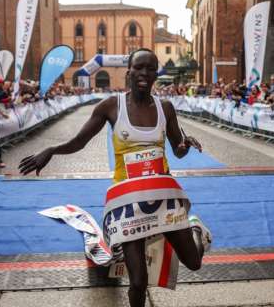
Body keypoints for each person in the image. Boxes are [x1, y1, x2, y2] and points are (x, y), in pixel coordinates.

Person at [19, 49, 211, 307]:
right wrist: (52, 150)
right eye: (139, 67)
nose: (144, 73)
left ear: (156, 73)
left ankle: (196, 227)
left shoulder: (165, 108)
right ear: (129, 70)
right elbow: (79, 141)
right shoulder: (111, 106)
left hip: (162, 196)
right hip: (127, 201)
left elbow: (177, 150)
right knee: (138, 281)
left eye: (150, 68)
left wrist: (185, 144)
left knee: (194, 263)